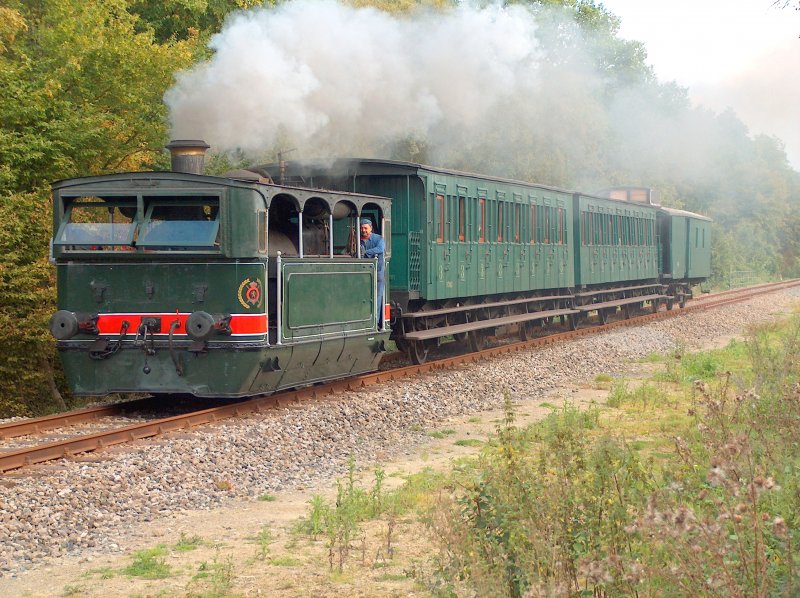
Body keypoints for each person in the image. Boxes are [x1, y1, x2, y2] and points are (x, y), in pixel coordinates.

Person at [359, 218, 385, 325]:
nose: (363, 230)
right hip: (362, 273)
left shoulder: (379, 238)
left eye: (365, 228)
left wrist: (366, 252)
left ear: (371, 228)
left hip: (377, 273)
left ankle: (375, 322)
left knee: (377, 298)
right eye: (361, 228)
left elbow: (380, 249)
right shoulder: (357, 239)